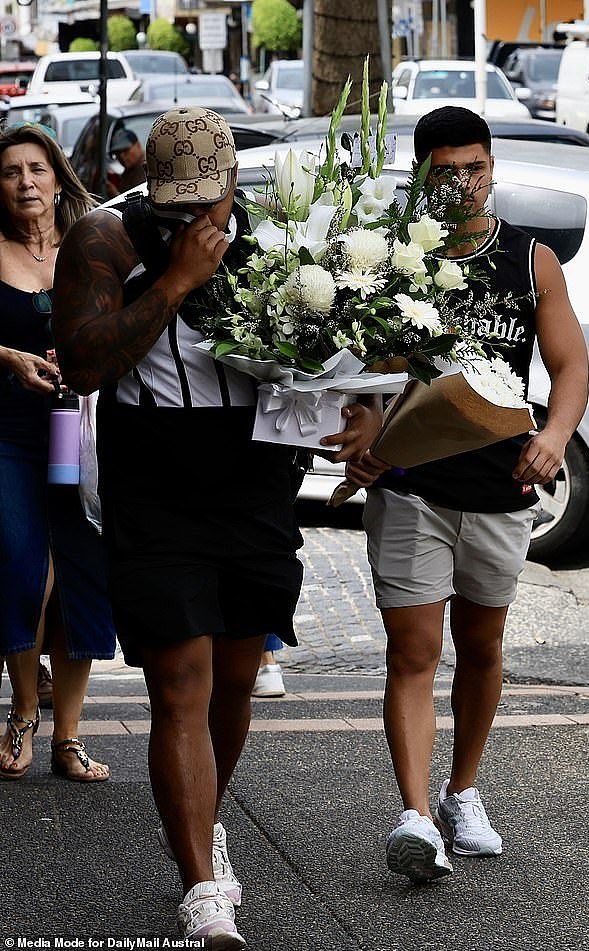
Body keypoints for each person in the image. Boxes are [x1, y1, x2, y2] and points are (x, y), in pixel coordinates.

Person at [52, 106, 381, 946]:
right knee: (180, 686)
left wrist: (364, 413)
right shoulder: (103, 239)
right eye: (177, 204)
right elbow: (82, 362)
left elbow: (340, 350)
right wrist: (173, 283)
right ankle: (202, 885)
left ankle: (204, 822)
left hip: (254, 483)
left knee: (236, 678)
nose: (194, 217)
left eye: (209, 201)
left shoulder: (279, 234)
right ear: (145, 183)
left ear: (235, 182)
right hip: (153, 484)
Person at [346, 106, 589, 884]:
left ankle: (462, 792)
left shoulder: (530, 261)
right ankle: (415, 814)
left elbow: (571, 366)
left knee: (483, 648)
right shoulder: (393, 260)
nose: (462, 182)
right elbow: (359, 365)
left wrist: (554, 433)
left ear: (493, 167)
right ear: (422, 176)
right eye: (445, 171)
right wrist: (364, 422)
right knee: (413, 653)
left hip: (503, 486)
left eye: (475, 167)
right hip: (412, 486)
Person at [0, 122, 116, 782]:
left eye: (36, 169)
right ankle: (23, 708)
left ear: (56, 175)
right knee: (22, 560)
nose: (25, 182)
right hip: (9, 431)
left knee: (80, 572)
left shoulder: (89, 244)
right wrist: (8, 356)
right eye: (12, 171)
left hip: (75, 429)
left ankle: (69, 736)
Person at [107, 127, 146, 197]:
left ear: (138, 145)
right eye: (117, 153)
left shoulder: (148, 167)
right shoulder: (129, 170)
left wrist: (116, 195)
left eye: (125, 150)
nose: (121, 157)